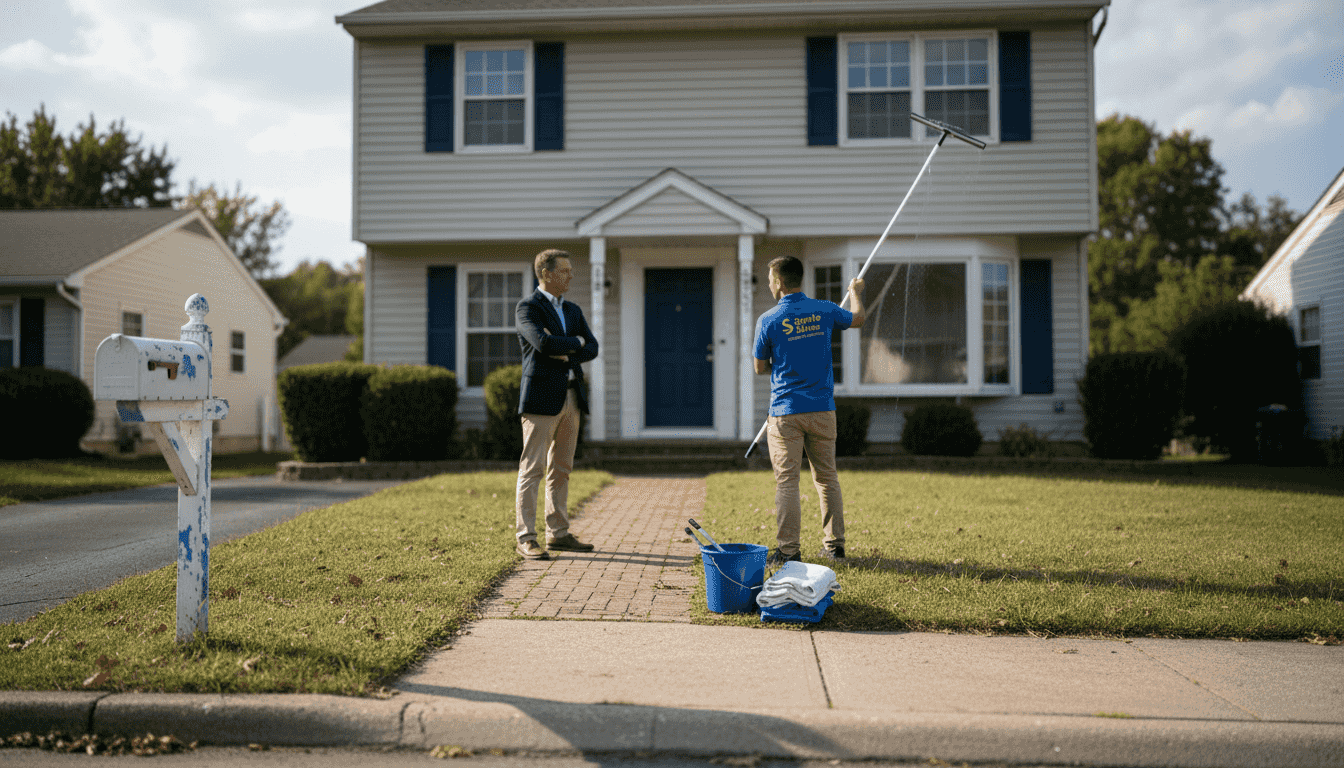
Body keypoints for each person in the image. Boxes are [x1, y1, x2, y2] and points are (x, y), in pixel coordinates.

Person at [753, 255, 865, 567]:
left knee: (787, 481)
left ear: (778, 283)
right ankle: (835, 547)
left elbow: (760, 368)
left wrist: (783, 361)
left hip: (786, 412)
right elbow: (857, 319)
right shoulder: (826, 310)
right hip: (822, 410)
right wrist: (855, 291)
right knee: (827, 478)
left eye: (770, 280)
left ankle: (788, 551)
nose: (769, 284)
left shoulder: (768, 320)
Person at [514, 249, 599, 560]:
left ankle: (558, 533)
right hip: (539, 398)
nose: (570, 275)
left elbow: (593, 347)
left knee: (561, 469)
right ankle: (526, 537)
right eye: (564, 270)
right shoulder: (528, 308)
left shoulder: (573, 310)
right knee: (532, 468)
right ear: (546, 273)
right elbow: (543, 343)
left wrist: (572, 345)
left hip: (571, 397)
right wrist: (573, 343)